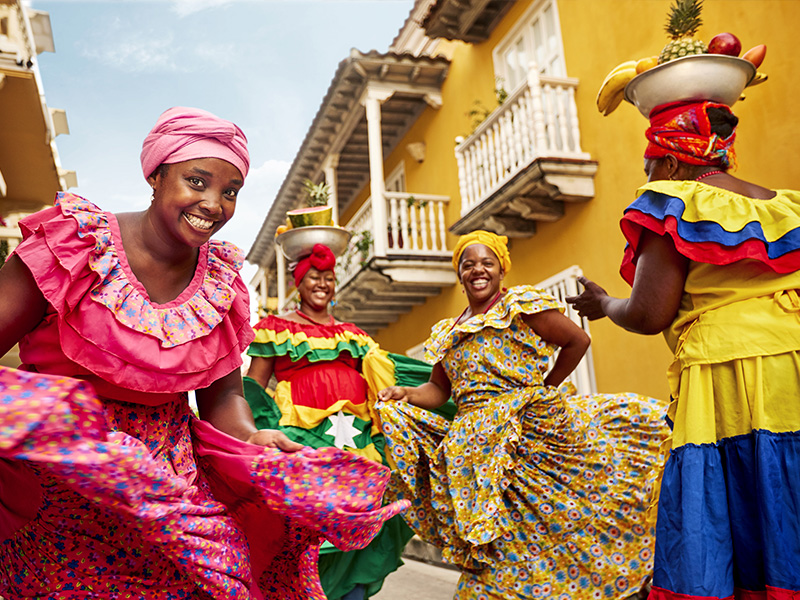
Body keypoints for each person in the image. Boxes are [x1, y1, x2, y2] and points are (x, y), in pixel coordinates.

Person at [0, 106, 407, 599]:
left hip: (169, 491)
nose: (213, 203)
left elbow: (222, 400)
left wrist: (255, 437)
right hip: (64, 487)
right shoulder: (74, 247)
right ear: (156, 175)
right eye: (197, 181)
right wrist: (45, 414)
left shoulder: (221, 285)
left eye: (230, 191)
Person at [566, 100, 800, 600]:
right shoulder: (786, 206)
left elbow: (650, 314)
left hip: (729, 373)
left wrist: (605, 302)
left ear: (670, 164)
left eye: (649, 164)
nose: (647, 174)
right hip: (793, 363)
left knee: (730, 508)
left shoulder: (672, 203)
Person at [375, 230, 668, 600]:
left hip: (529, 433)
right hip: (478, 453)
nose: (478, 270)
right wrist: (406, 394)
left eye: (487, 263)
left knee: (558, 515)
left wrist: (545, 389)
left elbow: (578, 340)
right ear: (460, 275)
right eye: (468, 265)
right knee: (508, 534)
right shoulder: (449, 333)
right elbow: (439, 390)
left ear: (501, 270)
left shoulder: (519, 307)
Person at [244, 243, 419, 600]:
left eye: (328, 278)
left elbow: (379, 381)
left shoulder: (354, 335)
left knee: (364, 524)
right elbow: (252, 389)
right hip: (302, 445)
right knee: (312, 531)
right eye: (313, 277)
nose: (322, 284)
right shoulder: (276, 329)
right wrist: (260, 433)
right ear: (299, 283)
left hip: (358, 445)